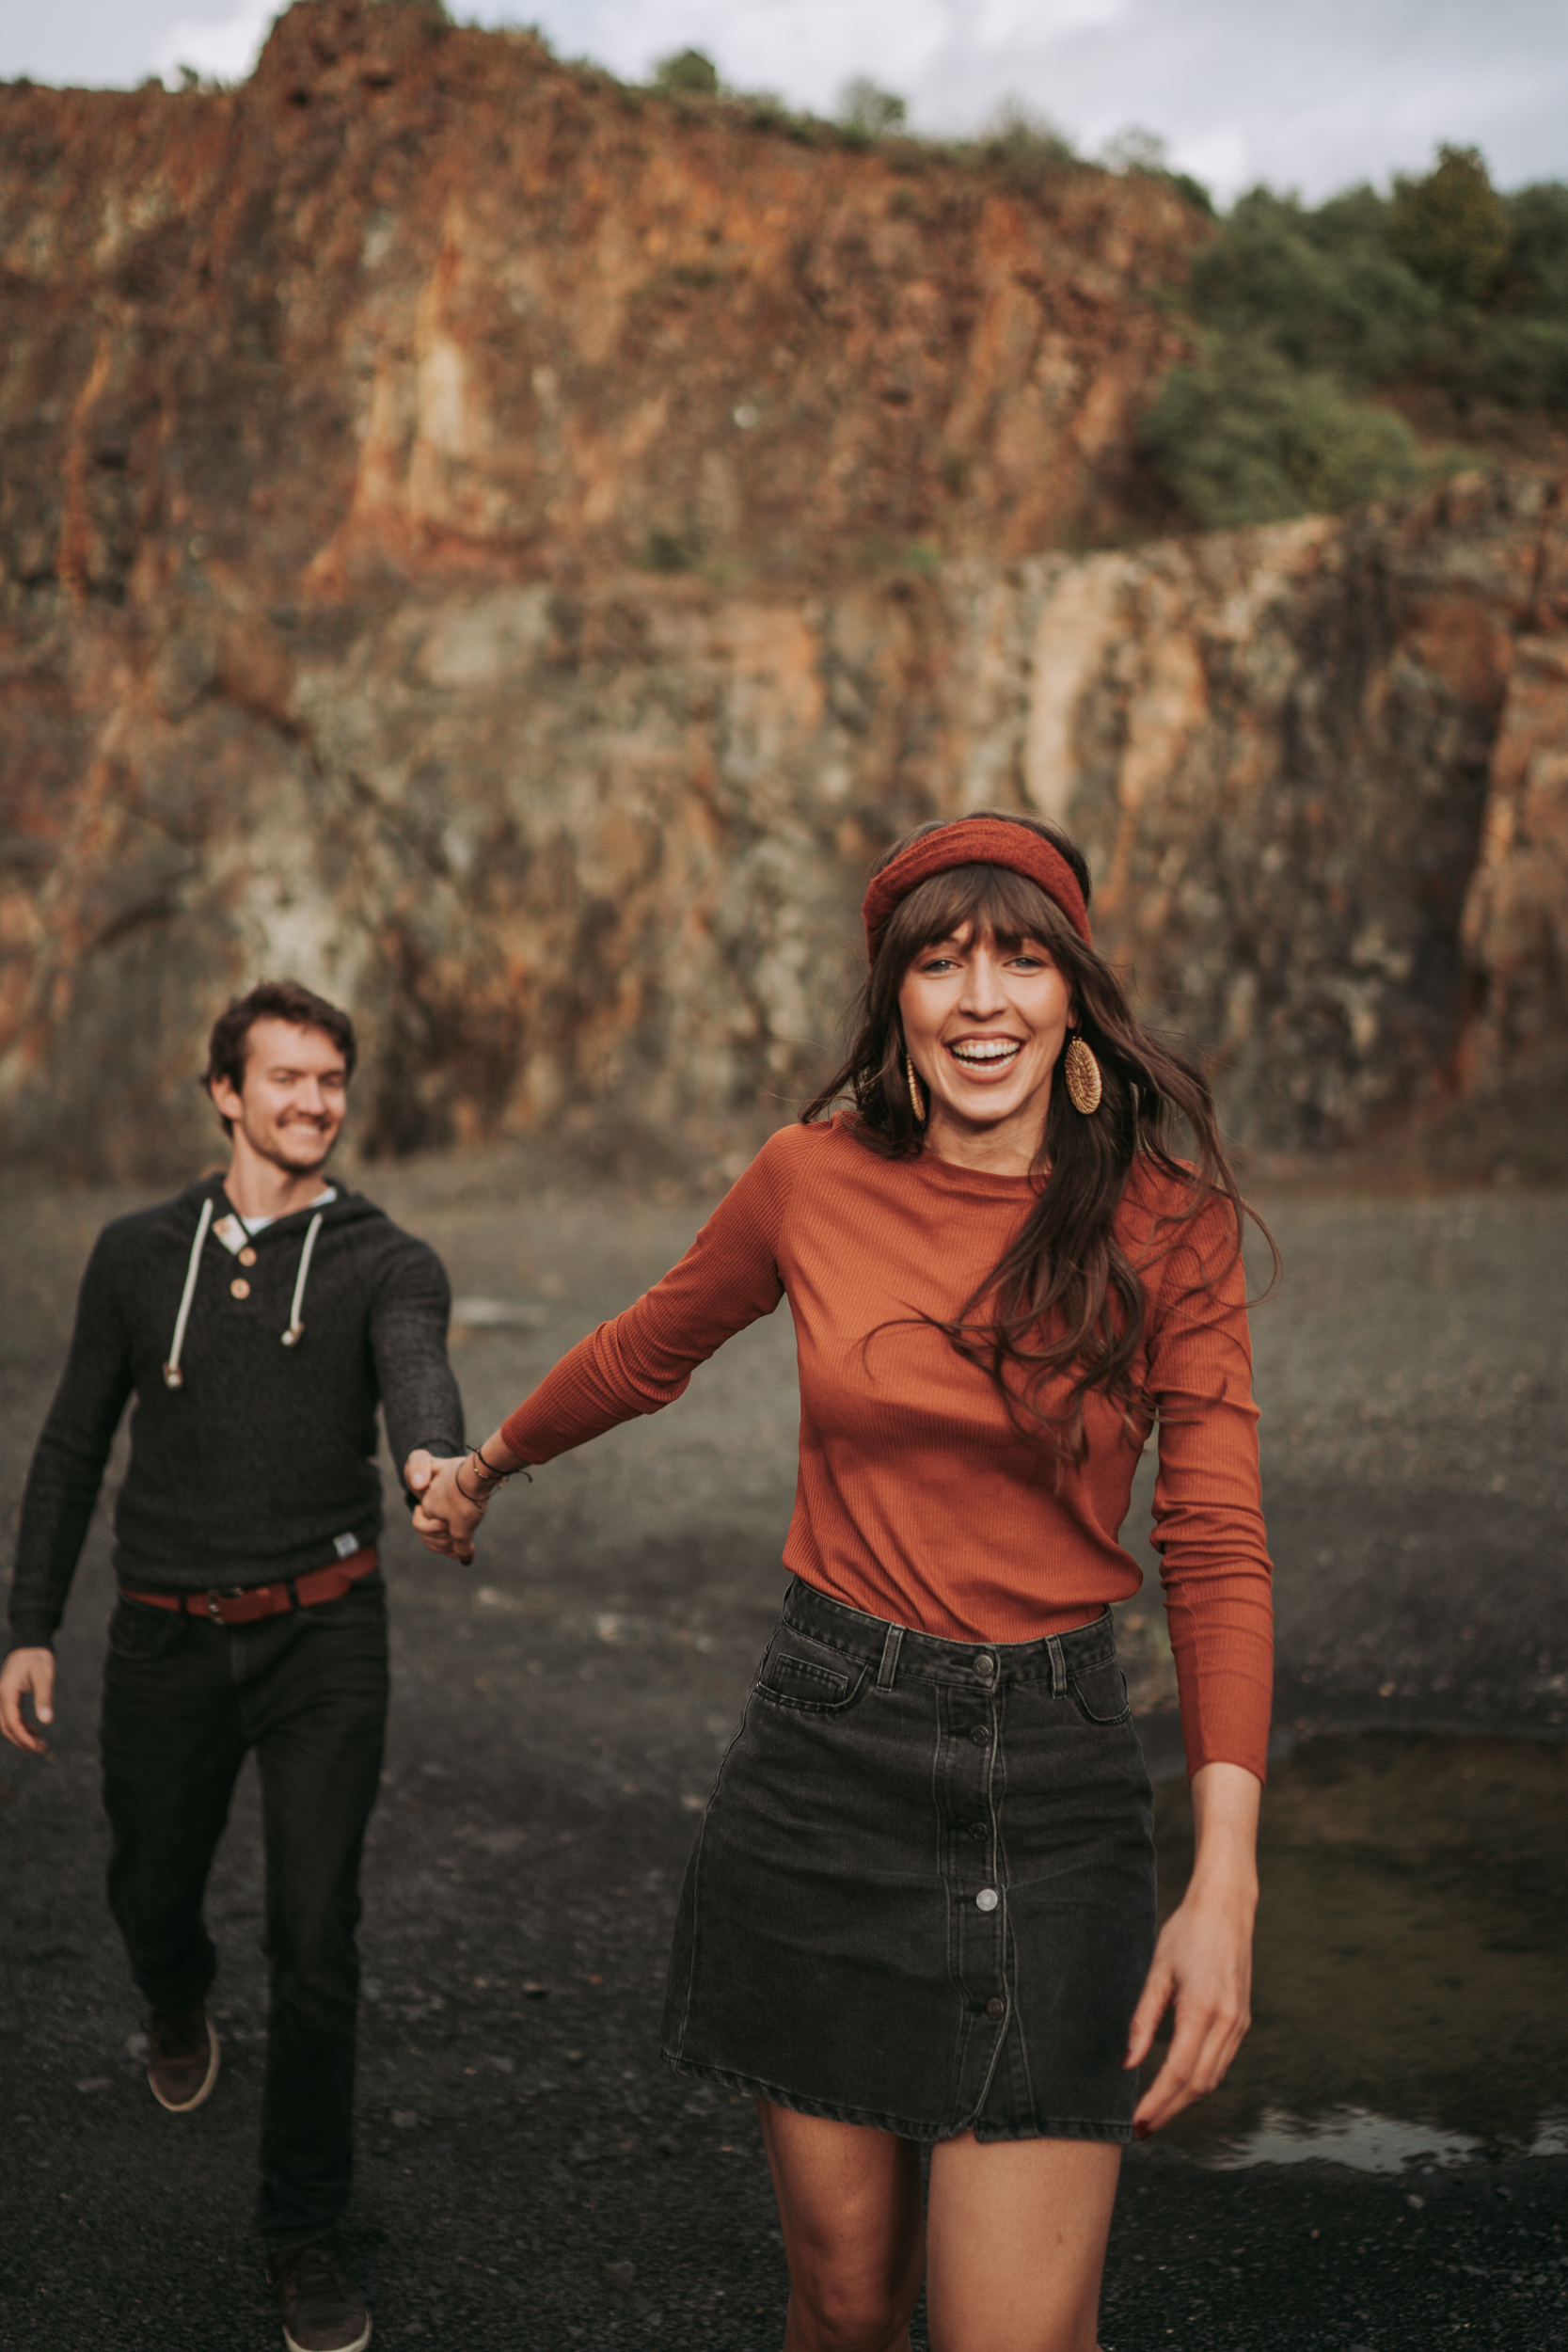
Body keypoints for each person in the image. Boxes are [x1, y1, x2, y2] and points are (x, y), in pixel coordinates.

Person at [414, 812, 1275, 2352]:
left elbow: (1213, 1543)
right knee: (844, 2306)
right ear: (896, 1003)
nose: (983, 999)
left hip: (1058, 1793)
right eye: (941, 964)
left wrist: (1227, 1878)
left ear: (1075, 993)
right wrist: (486, 1465)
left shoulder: (1171, 1226)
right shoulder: (809, 1179)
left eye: (1021, 959)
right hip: (824, 1766)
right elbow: (649, 1345)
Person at [0, 978, 467, 2352]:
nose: (314, 1102)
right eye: (286, 1078)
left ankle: (303, 2234)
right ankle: (174, 1991)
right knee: (150, 1886)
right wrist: (30, 1624)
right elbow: (72, 1444)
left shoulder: (388, 1258)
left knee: (318, 1939)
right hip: (162, 1632)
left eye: (331, 1080)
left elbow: (417, 1373)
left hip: (326, 1631)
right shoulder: (136, 1255)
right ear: (225, 1092)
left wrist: (435, 1462)